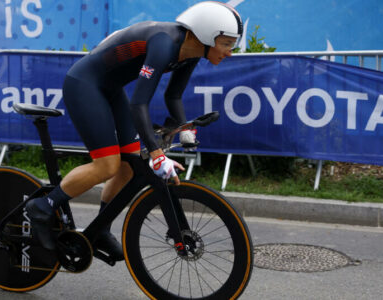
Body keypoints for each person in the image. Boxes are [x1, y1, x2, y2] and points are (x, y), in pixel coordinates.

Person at [26, 1, 243, 260]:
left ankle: (101, 230)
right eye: (227, 44)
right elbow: (139, 103)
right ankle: (43, 206)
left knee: (129, 167)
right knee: (107, 165)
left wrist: (183, 128)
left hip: (110, 88)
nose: (230, 52)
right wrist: (157, 154)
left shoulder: (193, 51)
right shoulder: (165, 44)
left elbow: (174, 96)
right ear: (207, 35)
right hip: (84, 84)